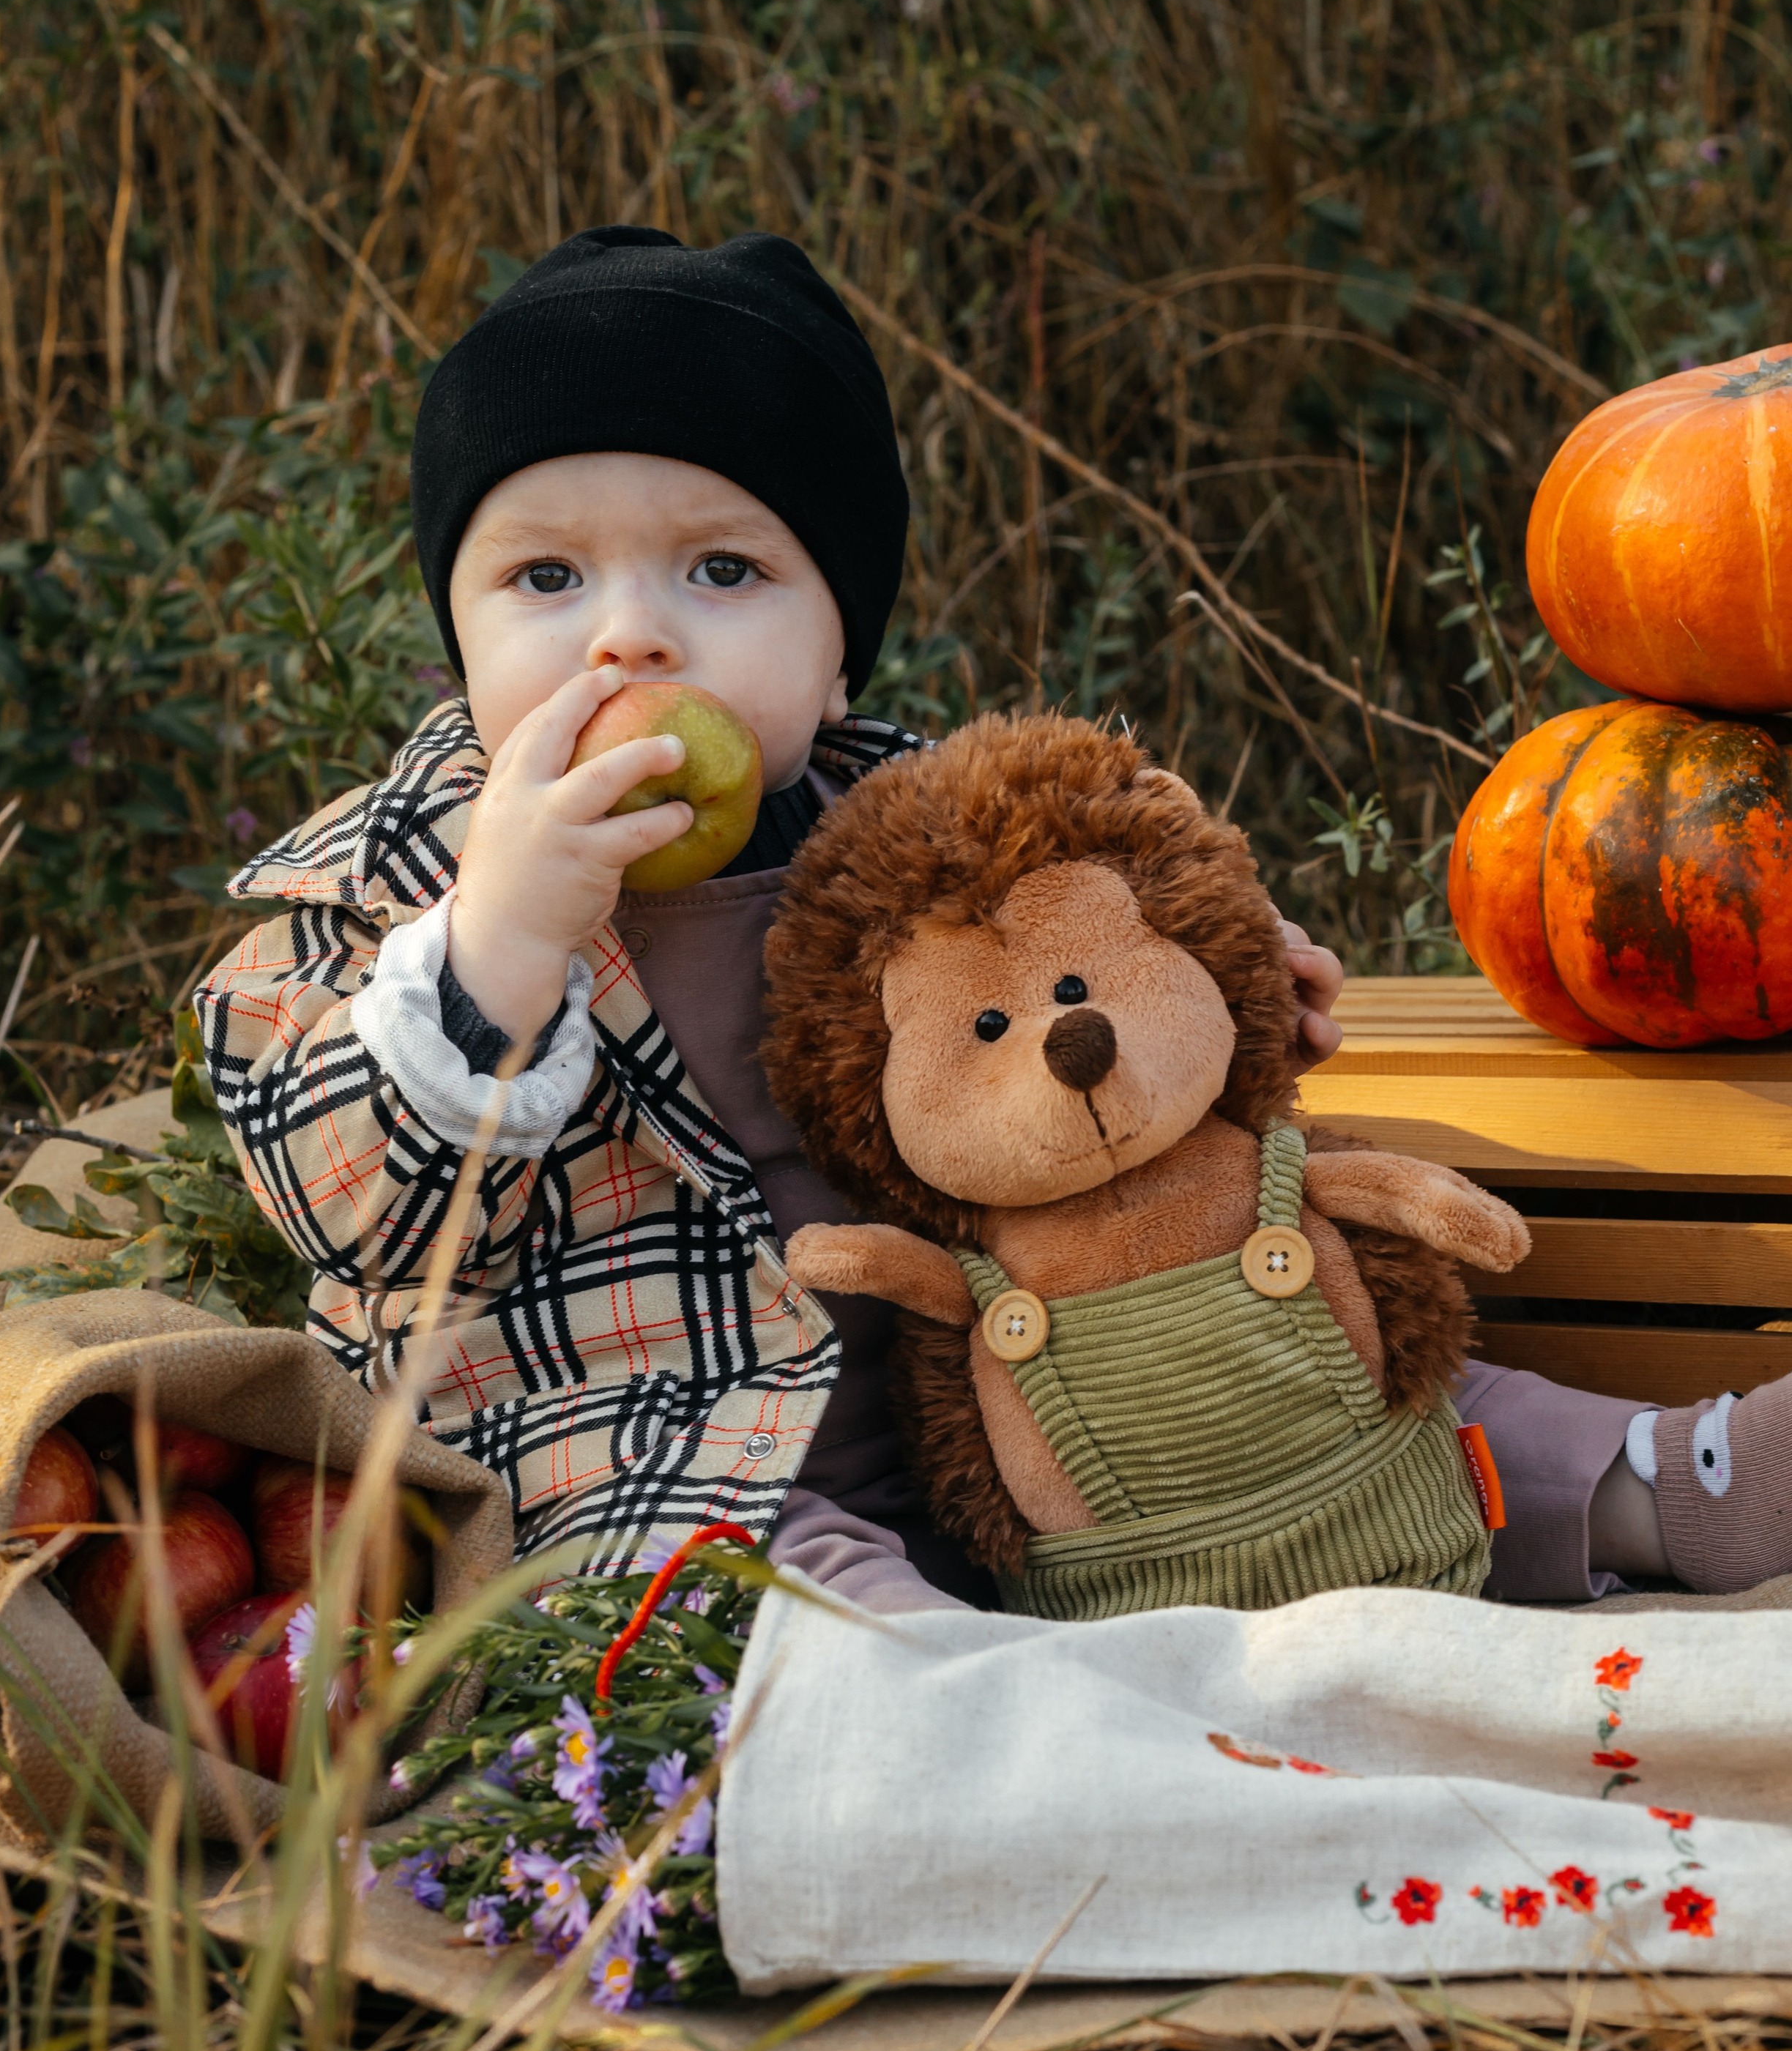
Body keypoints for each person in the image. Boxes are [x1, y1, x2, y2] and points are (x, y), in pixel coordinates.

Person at [196, 224, 1777, 1615]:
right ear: (451, 634)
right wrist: (497, 950)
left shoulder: (928, 831)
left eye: (722, 569)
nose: (629, 643)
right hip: (658, 1476)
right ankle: (963, 1721)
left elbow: (1121, 923)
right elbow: (346, 1208)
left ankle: (1660, 1482)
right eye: (542, 578)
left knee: (1317, 1372)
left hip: (1039, 1395)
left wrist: (1220, 1012)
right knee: (759, 1616)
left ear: (834, 658)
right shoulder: (369, 899)